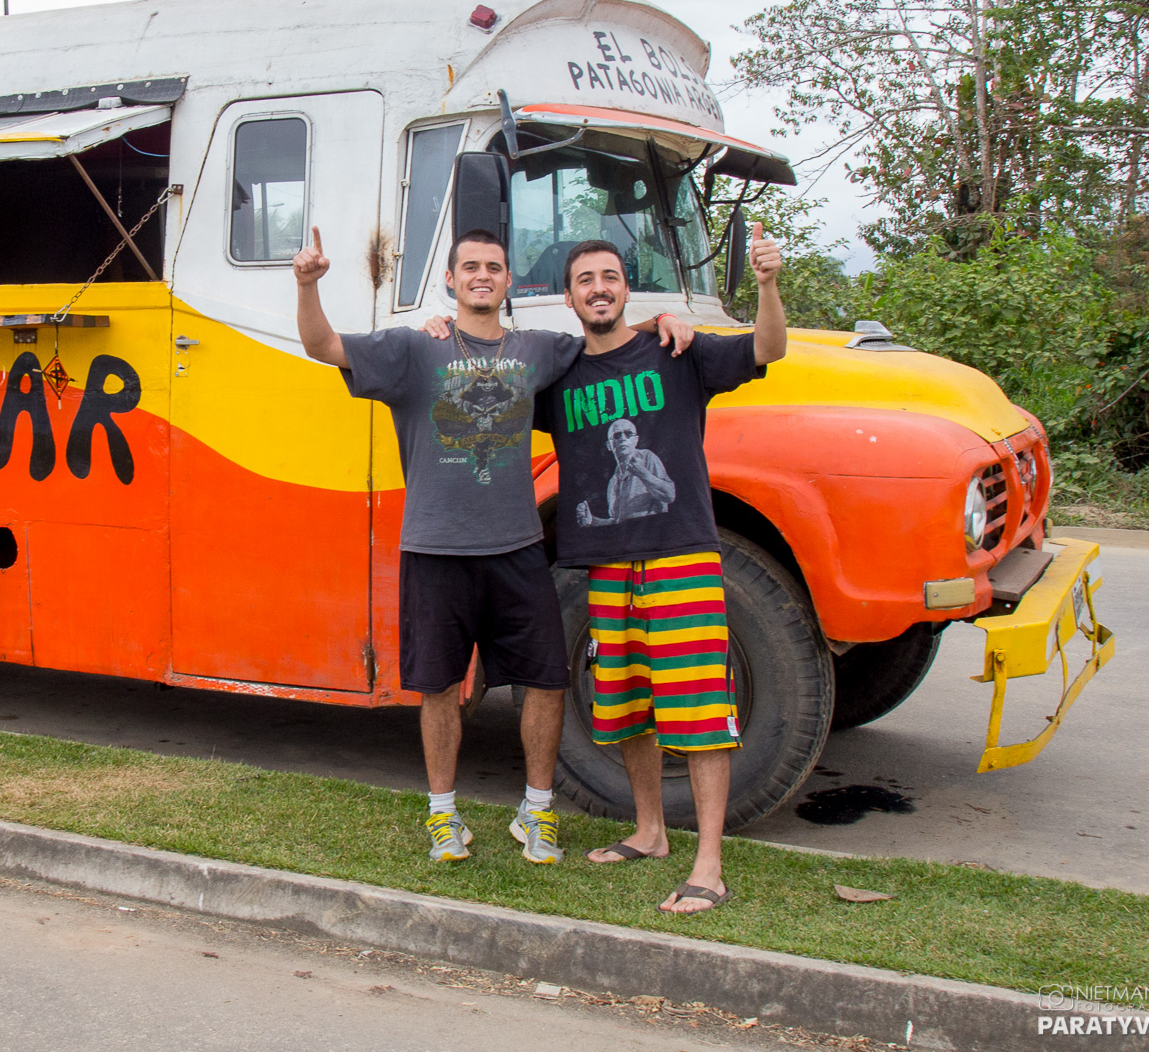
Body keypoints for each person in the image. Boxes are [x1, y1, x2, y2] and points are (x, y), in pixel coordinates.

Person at [293, 225, 694, 864]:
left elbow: (605, 338)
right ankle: (443, 816)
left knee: (546, 680)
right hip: (435, 548)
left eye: (495, 267)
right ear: (450, 280)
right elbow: (323, 345)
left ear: (509, 283)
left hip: (516, 547)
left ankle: (537, 815)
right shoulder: (412, 349)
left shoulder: (539, 350)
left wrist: (662, 322)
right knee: (439, 686)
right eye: (470, 266)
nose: (483, 275)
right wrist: (308, 284)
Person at [539, 224, 786, 915]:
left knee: (704, 709)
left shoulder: (677, 353)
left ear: (626, 288)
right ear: (568, 297)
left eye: (609, 277)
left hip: (680, 555)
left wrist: (767, 284)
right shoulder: (559, 376)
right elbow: (492, 371)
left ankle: (709, 865)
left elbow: (768, 348)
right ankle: (649, 832)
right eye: (584, 280)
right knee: (626, 706)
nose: (598, 289)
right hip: (606, 568)